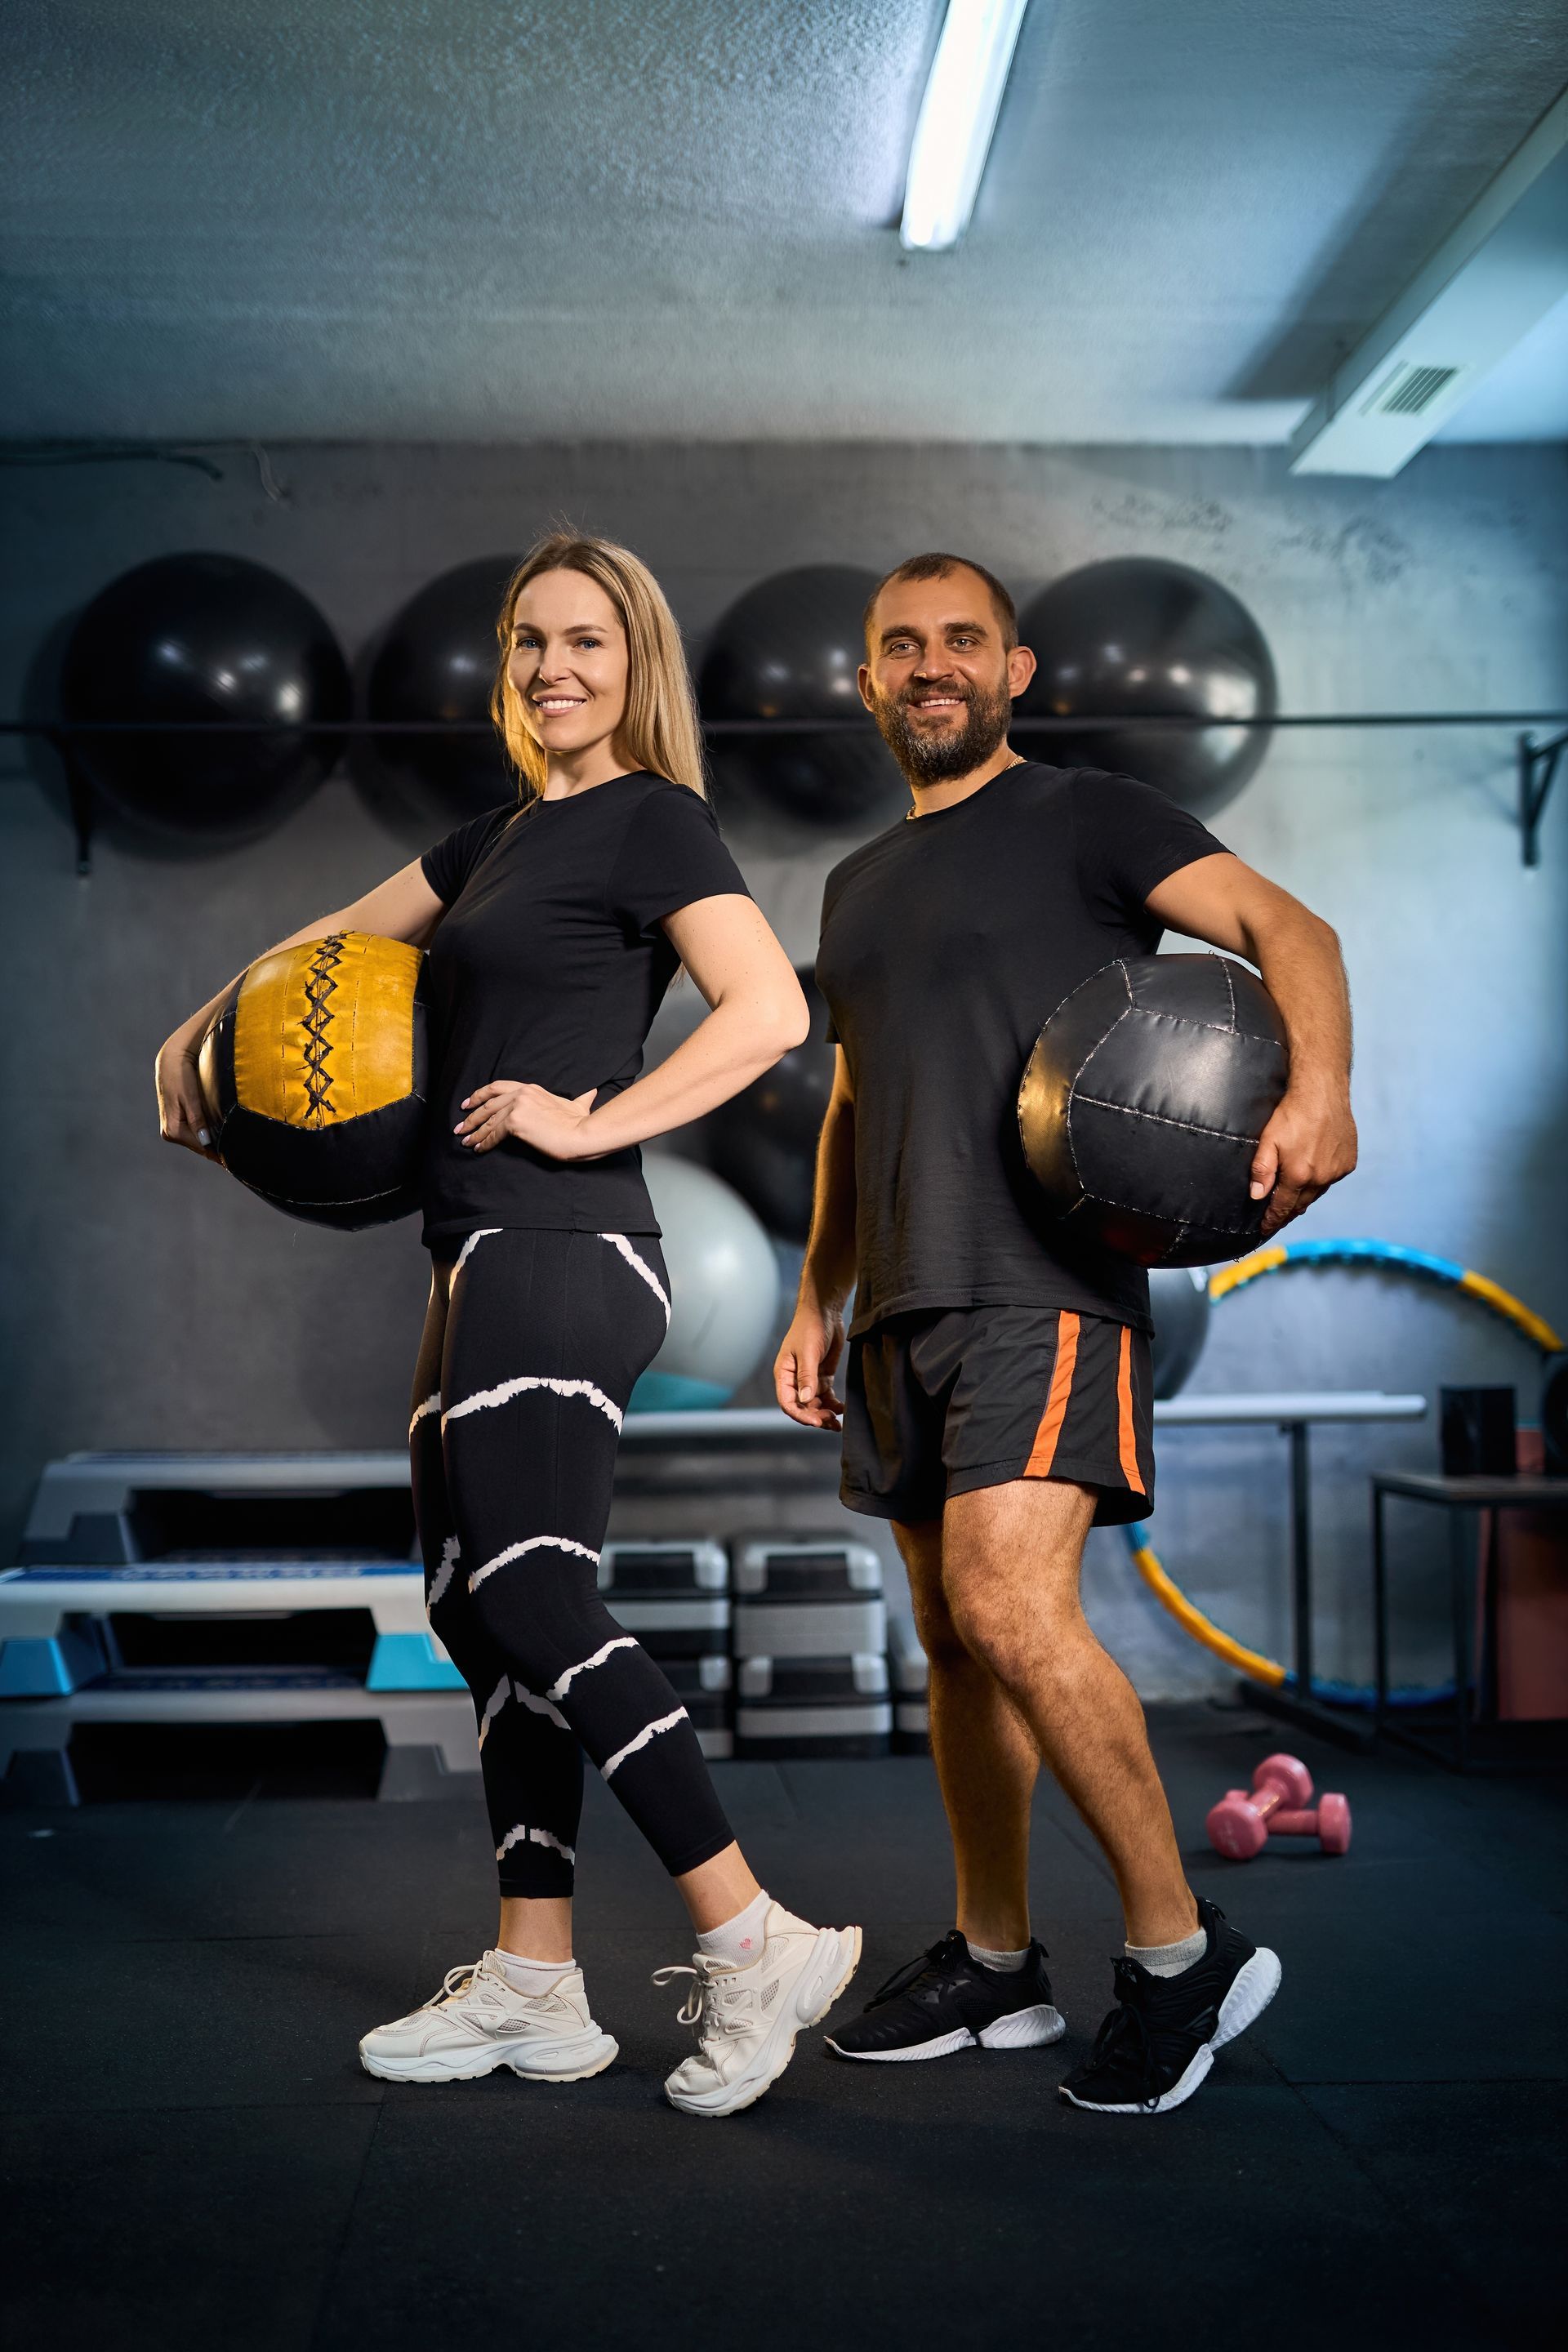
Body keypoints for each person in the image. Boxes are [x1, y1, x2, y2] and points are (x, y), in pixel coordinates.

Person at [156, 532, 860, 2118]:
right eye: (531, 641)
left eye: (589, 643)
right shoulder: (491, 841)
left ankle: (756, 1938)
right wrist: (192, 1037)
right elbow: (314, 958)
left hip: (567, 1239)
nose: (555, 668)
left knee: (541, 1594)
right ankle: (536, 1980)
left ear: (639, 665)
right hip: (471, 1249)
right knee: (477, 1609)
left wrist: (592, 1121)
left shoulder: (651, 821)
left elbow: (770, 1011)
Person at [774, 550, 1356, 2116]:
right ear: (871, 681)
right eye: (902, 645)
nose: (932, 664)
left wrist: (1321, 1092)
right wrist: (817, 1293)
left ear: (1016, 671)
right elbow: (851, 1102)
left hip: (1047, 1284)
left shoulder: (1089, 817)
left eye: (964, 639)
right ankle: (995, 1958)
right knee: (957, 1646)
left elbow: (1286, 927)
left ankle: (1185, 1957)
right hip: (901, 1297)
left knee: (1010, 1605)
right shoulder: (857, 884)